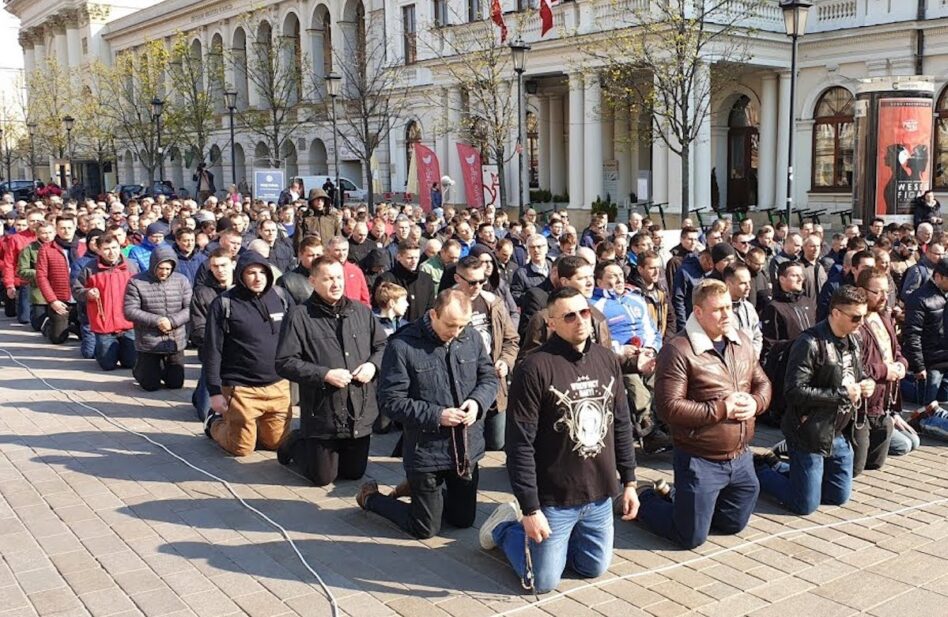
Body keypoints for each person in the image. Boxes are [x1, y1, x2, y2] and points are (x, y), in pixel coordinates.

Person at [479, 287, 639, 594]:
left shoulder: (607, 359)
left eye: (584, 312)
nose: (580, 321)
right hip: (553, 497)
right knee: (542, 582)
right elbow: (519, 444)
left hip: (599, 493)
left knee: (593, 567)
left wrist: (630, 482)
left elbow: (621, 423)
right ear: (551, 323)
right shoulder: (534, 367)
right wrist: (529, 508)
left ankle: (561, 543)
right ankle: (505, 528)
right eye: (569, 316)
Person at [637, 279, 771, 549]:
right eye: (717, 310)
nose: (726, 315)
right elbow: (668, 407)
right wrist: (722, 409)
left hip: (741, 455)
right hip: (699, 457)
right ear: (698, 312)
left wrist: (756, 403)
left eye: (728, 307)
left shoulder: (740, 340)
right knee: (690, 537)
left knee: (733, 524)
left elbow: (763, 383)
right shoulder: (678, 349)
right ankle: (644, 500)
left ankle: (689, 504)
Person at [356, 290, 499, 539]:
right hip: (426, 451)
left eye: (462, 326)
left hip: (465, 448)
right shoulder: (402, 345)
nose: (455, 333)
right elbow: (390, 401)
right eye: (450, 325)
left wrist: (477, 403)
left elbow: (488, 378)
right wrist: (437, 415)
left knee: (463, 521)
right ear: (433, 314)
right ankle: (372, 498)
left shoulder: (471, 337)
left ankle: (420, 492)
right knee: (425, 529)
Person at [756, 286, 874, 515]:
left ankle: (787, 470)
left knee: (837, 496)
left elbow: (858, 374)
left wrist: (866, 383)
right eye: (856, 317)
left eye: (864, 316)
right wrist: (842, 394)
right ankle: (760, 470)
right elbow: (793, 391)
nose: (861, 323)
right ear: (836, 313)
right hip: (808, 432)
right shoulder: (809, 343)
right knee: (805, 505)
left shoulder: (854, 340)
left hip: (838, 432)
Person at [275, 257, 386, 485]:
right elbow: (284, 361)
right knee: (323, 478)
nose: (335, 284)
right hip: (323, 412)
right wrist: (324, 374)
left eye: (338, 277)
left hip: (359, 408)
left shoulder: (361, 312)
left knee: (354, 473)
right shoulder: (299, 316)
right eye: (327, 279)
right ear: (313, 281)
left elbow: (383, 346)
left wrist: (373, 365)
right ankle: (296, 442)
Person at [203, 252, 292, 456]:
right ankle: (214, 423)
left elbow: (296, 337)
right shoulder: (224, 303)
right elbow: (212, 350)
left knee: (275, 444)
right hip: (241, 388)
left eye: (262, 272)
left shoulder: (280, 297)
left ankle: (253, 426)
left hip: (278, 384)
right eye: (251, 272)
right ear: (241, 275)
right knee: (241, 449)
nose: (258, 277)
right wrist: (215, 392)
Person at [450, 256, 519, 451]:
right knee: (467, 442)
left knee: (497, 442)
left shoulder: (494, 303)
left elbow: (511, 340)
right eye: (472, 282)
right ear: (458, 279)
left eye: (482, 281)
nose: (477, 286)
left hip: (493, 380)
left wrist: (505, 361)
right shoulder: (446, 303)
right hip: (461, 383)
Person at [852, 267, 907, 475]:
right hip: (862, 407)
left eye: (887, 291)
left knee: (875, 463)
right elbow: (856, 366)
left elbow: (896, 350)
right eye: (878, 292)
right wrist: (885, 371)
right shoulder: (856, 322)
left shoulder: (884, 317)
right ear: (862, 290)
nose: (885, 297)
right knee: (855, 469)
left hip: (884, 405)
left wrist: (901, 364)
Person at [123, 245, 192, 391]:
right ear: (154, 264)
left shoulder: (182, 280)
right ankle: (140, 369)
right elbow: (130, 310)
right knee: (150, 386)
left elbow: (190, 308)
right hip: (149, 339)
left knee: (175, 385)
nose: (164, 272)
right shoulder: (136, 282)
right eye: (161, 268)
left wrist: (172, 322)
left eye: (168, 269)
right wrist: (157, 321)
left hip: (174, 338)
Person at [73, 233, 139, 371]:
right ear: (98, 250)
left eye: (114, 247)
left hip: (127, 322)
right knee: (108, 365)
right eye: (106, 249)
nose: (111, 252)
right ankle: (103, 352)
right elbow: (76, 290)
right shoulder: (90, 269)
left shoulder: (131, 266)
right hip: (104, 322)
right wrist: (87, 293)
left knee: (131, 363)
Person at [189, 249, 236, 420]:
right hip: (213, 354)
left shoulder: (243, 290)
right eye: (215, 266)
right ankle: (202, 389)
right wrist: (218, 343)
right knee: (205, 413)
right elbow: (198, 329)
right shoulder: (202, 292)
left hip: (240, 355)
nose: (219, 270)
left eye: (223, 265)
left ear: (233, 264)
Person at [902, 257, 948, 406]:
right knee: (927, 406)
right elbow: (912, 335)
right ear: (938, 276)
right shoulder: (919, 299)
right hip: (931, 363)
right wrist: (919, 366)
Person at [36, 215, 86, 344]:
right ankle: (49, 324)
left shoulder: (83, 247)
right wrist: (52, 301)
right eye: (62, 228)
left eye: (69, 227)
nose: (66, 231)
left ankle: (74, 326)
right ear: (56, 229)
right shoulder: (46, 249)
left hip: (81, 298)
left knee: (86, 336)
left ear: (75, 227)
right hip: (60, 299)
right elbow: (41, 277)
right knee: (57, 338)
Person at [373, 240, 435, 322]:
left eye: (416, 257)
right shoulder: (386, 279)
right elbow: (379, 308)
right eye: (410, 258)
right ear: (399, 257)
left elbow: (430, 307)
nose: (414, 261)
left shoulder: (426, 279)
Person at [17, 222, 55, 331]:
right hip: (39, 291)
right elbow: (21, 271)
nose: (47, 236)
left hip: (58, 289)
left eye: (50, 232)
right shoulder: (29, 249)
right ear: (37, 234)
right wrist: (40, 273)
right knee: (38, 324)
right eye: (43, 233)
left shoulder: (59, 248)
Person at [724, 263, 763, 358]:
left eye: (749, 282)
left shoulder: (749, 307)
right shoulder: (719, 309)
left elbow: (757, 335)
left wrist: (753, 357)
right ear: (729, 284)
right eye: (743, 283)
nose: (748, 287)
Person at [276, 236, 322, 305]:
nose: (315, 259)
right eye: (310, 255)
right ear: (300, 255)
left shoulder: (330, 276)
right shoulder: (286, 281)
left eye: (318, 255)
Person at [326, 236, 370, 307]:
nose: (341, 254)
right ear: (328, 251)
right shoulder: (324, 271)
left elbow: (365, 298)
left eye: (344, 250)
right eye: (337, 250)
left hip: (355, 313)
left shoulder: (356, 270)